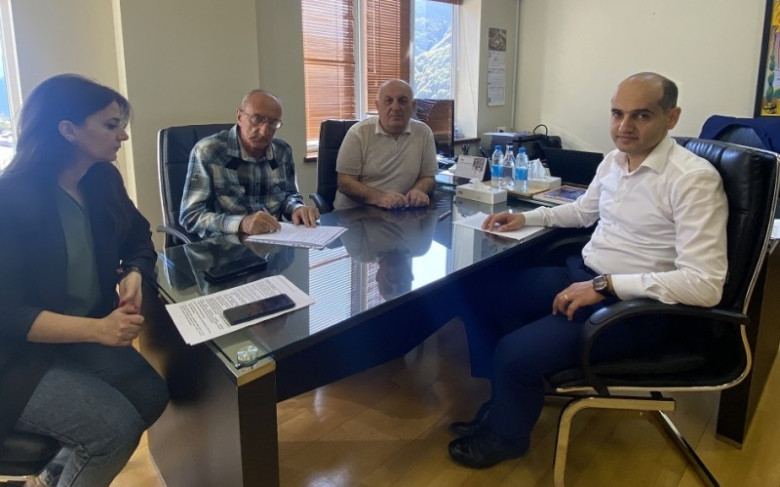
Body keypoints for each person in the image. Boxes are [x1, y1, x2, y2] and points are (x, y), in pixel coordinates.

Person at [447, 72, 728, 469]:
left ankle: (507, 438)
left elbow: (705, 285)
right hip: (585, 275)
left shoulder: (693, 180)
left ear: (671, 117)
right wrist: (526, 218)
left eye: (641, 115)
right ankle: (506, 400)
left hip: (634, 308)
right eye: (617, 113)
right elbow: (582, 211)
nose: (624, 126)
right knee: (478, 295)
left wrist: (607, 285)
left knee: (514, 352)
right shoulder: (613, 160)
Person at [0, 74, 169, 487]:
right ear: (68, 130)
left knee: (151, 395)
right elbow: (8, 315)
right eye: (111, 125)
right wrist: (99, 330)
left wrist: (134, 272)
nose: (123, 135)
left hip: (79, 334)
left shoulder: (101, 179)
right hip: (16, 357)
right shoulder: (10, 198)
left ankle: (53, 477)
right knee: (113, 431)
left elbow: (139, 237)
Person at [179, 89, 320, 238]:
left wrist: (297, 208)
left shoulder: (282, 152)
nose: (264, 131)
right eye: (257, 119)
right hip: (226, 245)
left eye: (273, 123)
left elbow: (289, 195)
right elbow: (191, 216)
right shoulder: (209, 152)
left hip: (276, 241)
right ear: (239, 117)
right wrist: (241, 224)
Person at [333, 79, 439, 211]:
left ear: (413, 106)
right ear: (378, 106)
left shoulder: (423, 132)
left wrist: (418, 190)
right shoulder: (358, 133)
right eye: (388, 101)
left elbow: (428, 177)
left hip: (399, 211)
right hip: (354, 214)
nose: (395, 107)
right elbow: (345, 182)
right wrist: (379, 198)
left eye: (402, 101)